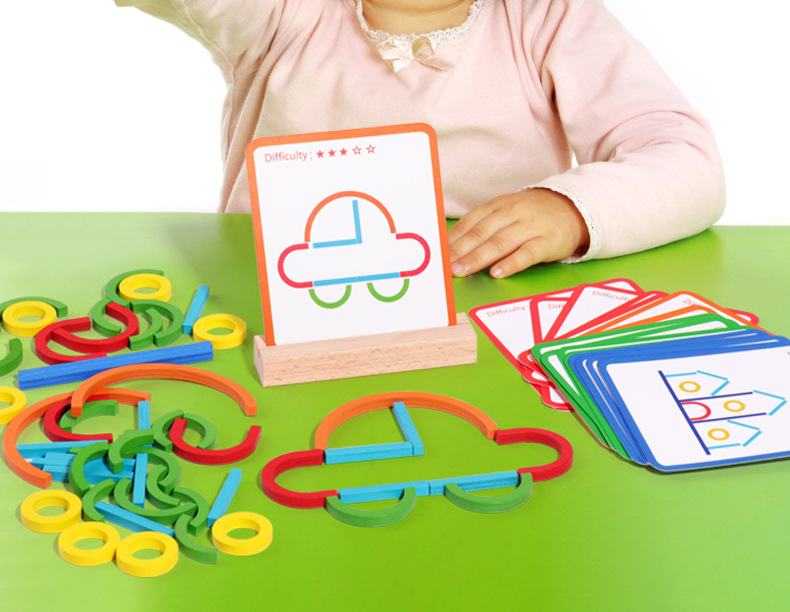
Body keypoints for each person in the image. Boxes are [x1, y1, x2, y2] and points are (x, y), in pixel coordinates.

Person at [116, 0, 725, 278]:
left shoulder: (551, 15)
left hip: (492, 295)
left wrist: (571, 210)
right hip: (276, 297)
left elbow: (687, 161)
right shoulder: (278, 13)